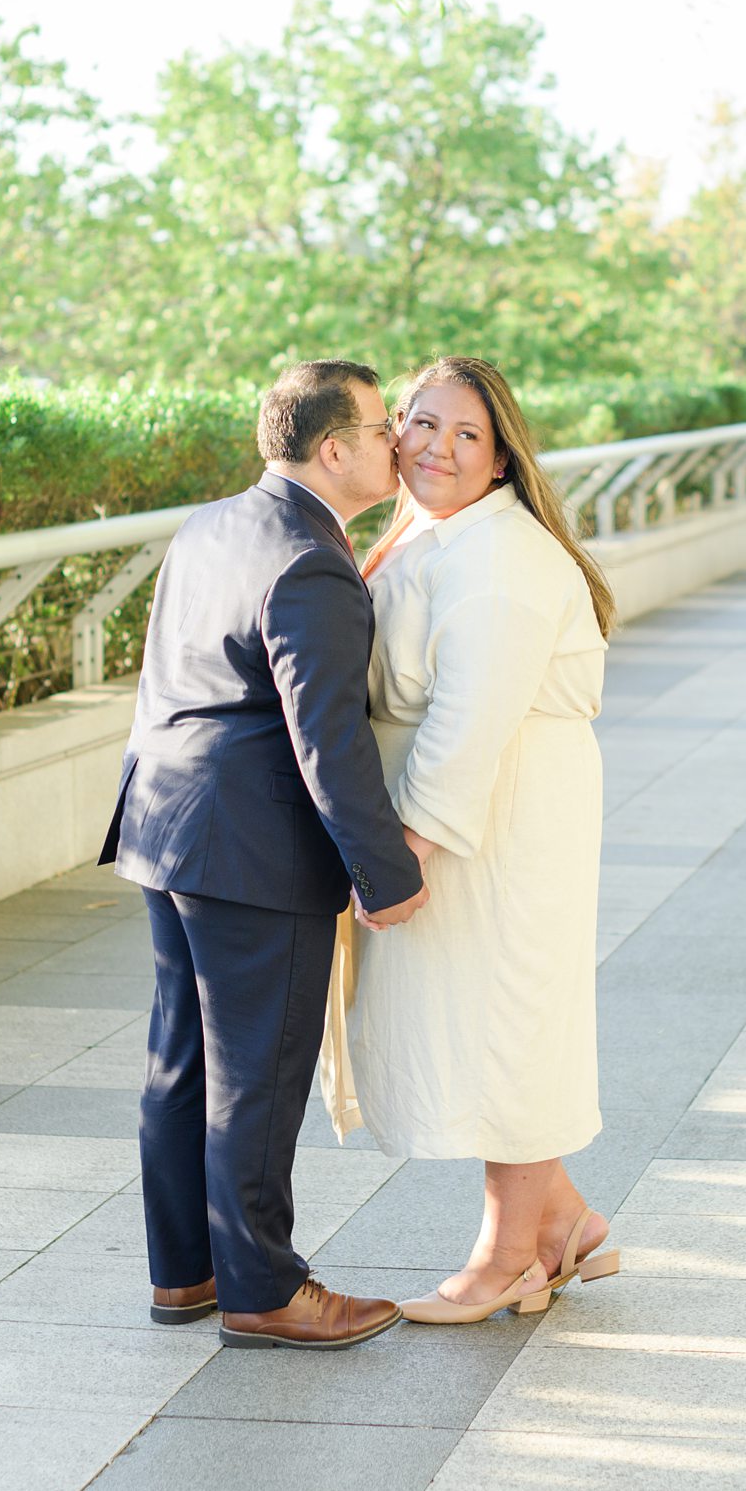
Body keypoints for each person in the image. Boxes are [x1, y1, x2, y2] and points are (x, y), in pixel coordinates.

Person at [100, 358, 428, 1351]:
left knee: (183, 1057)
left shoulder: (211, 524)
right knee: (261, 1068)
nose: (398, 442)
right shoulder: (312, 560)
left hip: (166, 822)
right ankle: (263, 1286)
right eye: (382, 429)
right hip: (253, 845)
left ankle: (187, 1272)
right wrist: (388, 873)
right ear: (333, 450)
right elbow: (326, 739)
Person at [347, 355, 623, 1324]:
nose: (437, 448)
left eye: (467, 435)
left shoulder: (498, 559)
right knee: (484, 1011)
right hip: (489, 809)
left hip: (501, 820)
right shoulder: (433, 534)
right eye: (422, 423)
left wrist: (403, 852)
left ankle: (509, 1256)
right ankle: (567, 1223)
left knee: (509, 1016)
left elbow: (469, 718)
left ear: (502, 460)